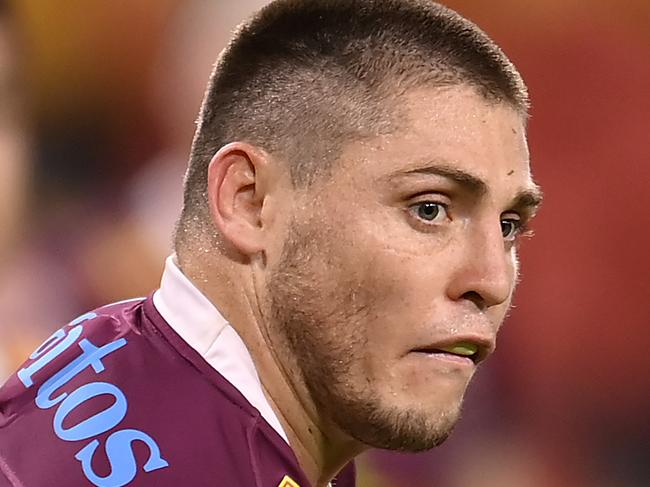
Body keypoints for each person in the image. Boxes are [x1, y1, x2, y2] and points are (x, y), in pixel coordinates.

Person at [0, 1, 542, 486]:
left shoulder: (112, 341)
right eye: (428, 210)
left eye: (509, 226)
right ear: (248, 200)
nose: (492, 281)